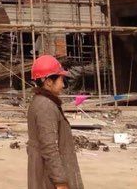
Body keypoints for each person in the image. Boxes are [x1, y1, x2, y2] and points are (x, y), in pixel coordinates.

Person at [27, 55, 84, 189]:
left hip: (46, 174)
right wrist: (60, 182)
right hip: (49, 179)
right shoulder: (45, 106)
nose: (63, 85)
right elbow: (49, 147)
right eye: (61, 80)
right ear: (48, 82)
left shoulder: (43, 102)